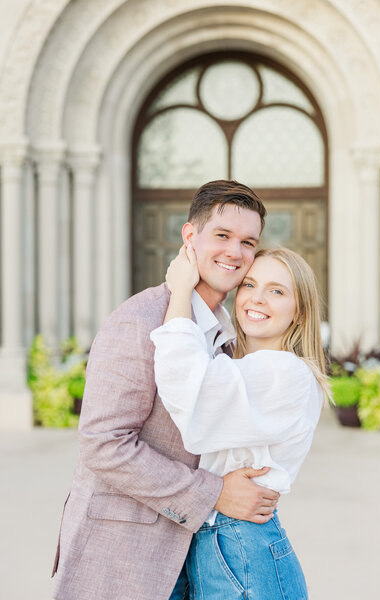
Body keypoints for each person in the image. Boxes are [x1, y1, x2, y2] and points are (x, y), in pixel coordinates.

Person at [52, 180, 281, 600]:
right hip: (123, 556)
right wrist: (213, 493)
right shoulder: (139, 321)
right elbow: (103, 444)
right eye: (223, 235)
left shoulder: (228, 333)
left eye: (249, 242)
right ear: (190, 237)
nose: (236, 252)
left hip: (194, 556)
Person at [150, 245, 330, 599]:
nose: (257, 298)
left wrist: (181, 291)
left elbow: (188, 389)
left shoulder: (285, 372)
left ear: (299, 312)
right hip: (222, 542)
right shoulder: (246, 366)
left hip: (241, 545)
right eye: (249, 285)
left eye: (276, 291)